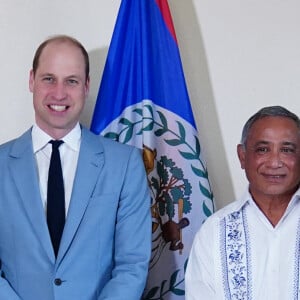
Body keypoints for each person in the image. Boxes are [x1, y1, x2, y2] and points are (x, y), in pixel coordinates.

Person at [0, 35, 151, 299]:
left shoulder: (125, 164)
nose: (59, 93)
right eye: (49, 78)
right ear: (31, 80)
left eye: (71, 81)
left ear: (86, 86)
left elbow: (132, 265)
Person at [185, 105, 300, 299]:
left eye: (287, 150)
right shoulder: (214, 231)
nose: (274, 162)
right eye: (263, 149)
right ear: (242, 156)